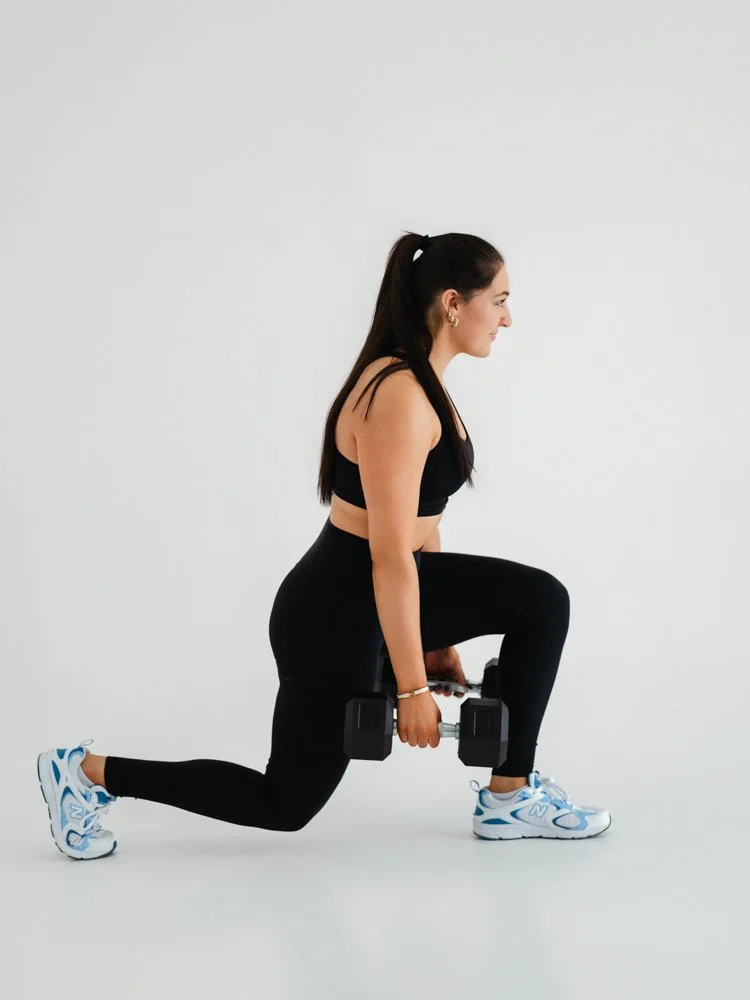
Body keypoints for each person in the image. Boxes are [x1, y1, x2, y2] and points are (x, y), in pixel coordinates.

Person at [36, 230, 611, 860]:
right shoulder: (398, 395)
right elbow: (389, 554)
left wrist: (435, 641)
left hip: (375, 590)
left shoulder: (426, 382)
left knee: (541, 602)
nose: (507, 316)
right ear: (453, 303)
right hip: (333, 610)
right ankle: (86, 773)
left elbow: (424, 521)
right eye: (499, 299)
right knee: (284, 804)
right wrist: (413, 689)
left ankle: (509, 795)